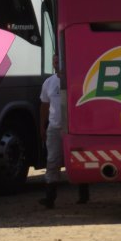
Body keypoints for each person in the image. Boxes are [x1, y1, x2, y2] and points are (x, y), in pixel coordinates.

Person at [39, 54, 89, 209]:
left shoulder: (77, 79)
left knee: (78, 161)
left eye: (58, 60)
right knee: (52, 160)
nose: (55, 63)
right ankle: (50, 197)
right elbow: (44, 105)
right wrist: (42, 125)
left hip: (74, 129)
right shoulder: (48, 82)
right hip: (55, 127)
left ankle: (83, 194)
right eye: (53, 60)